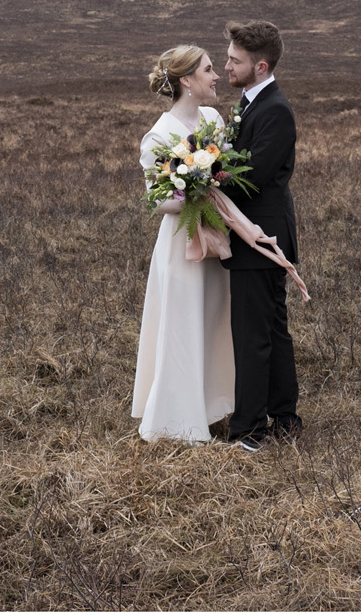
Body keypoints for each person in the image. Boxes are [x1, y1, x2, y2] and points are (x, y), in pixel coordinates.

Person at [129, 45, 236, 443]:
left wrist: (217, 179)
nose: (216, 76)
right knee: (183, 324)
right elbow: (158, 201)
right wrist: (196, 187)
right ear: (187, 80)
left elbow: (226, 164)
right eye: (209, 70)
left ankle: (213, 405)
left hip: (215, 239)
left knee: (212, 319)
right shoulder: (158, 135)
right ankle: (177, 420)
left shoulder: (212, 118)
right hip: (181, 245)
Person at [221, 19, 300, 450]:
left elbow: (250, 176)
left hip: (261, 237)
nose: (226, 66)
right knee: (271, 327)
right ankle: (285, 419)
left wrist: (205, 172)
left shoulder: (274, 111)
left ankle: (249, 431)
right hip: (260, 236)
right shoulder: (253, 105)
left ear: (261, 65)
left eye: (235, 60)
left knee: (253, 333)